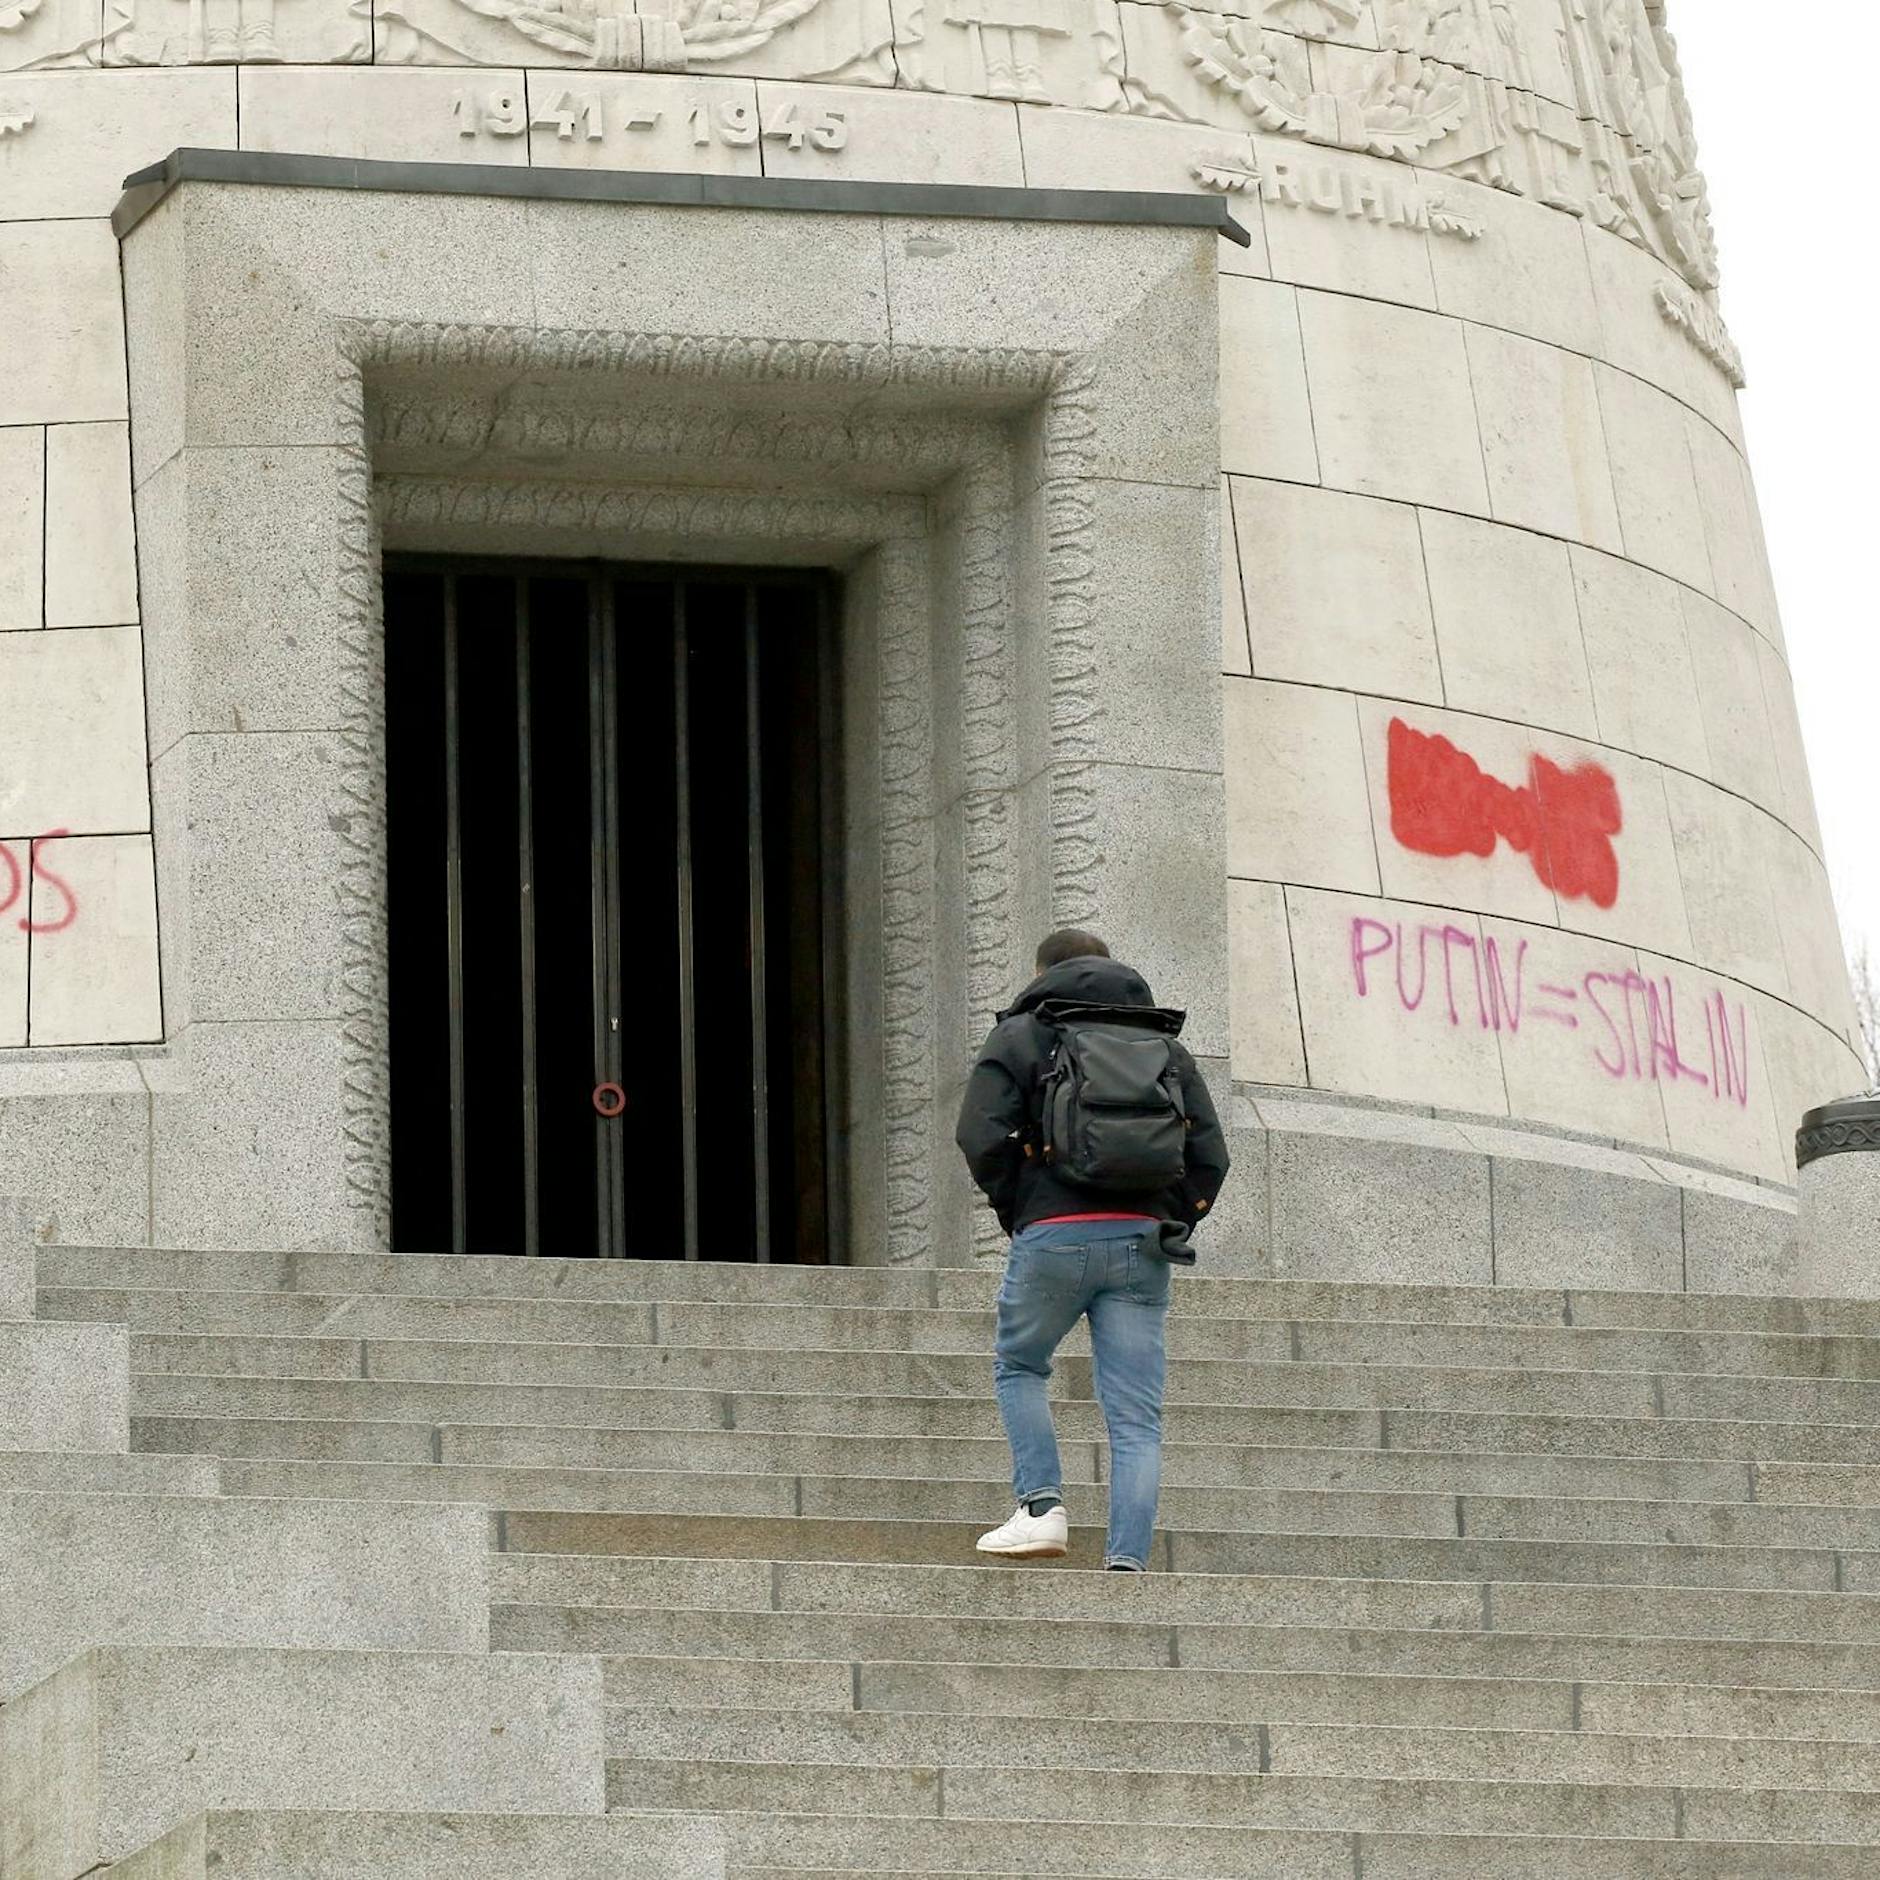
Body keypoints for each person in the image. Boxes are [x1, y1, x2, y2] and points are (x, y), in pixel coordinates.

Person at [954, 929, 1230, 1571]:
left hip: (1053, 1232)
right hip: (1143, 1241)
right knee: (1136, 1416)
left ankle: (1041, 1509)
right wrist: (1173, 1217)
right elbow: (1210, 1155)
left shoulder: (1022, 1034)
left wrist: (1023, 1209)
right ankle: (1127, 1562)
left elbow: (978, 1134)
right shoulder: (1164, 1047)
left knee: (1021, 1365)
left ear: (1042, 973)